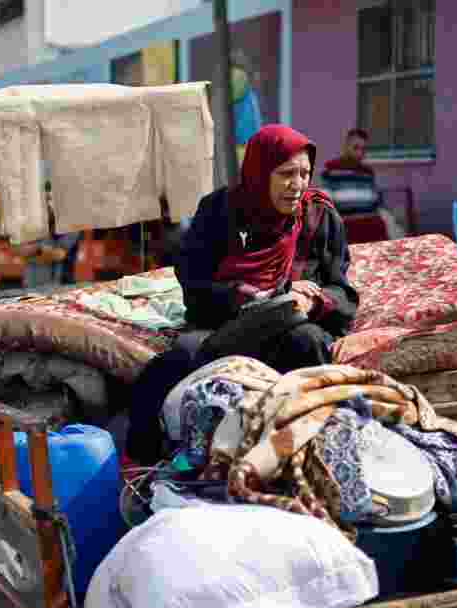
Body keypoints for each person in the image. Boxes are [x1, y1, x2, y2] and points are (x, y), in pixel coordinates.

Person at [124, 124, 358, 463]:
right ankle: (146, 461)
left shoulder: (318, 217)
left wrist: (314, 300)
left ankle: (319, 452)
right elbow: (193, 281)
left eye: (304, 174)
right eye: (285, 174)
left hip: (289, 328)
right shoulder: (219, 211)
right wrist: (251, 295)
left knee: (309, 342)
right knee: (181, 357)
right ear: (260, 172)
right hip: (225, 325)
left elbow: (341, 288)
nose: (298, 185)